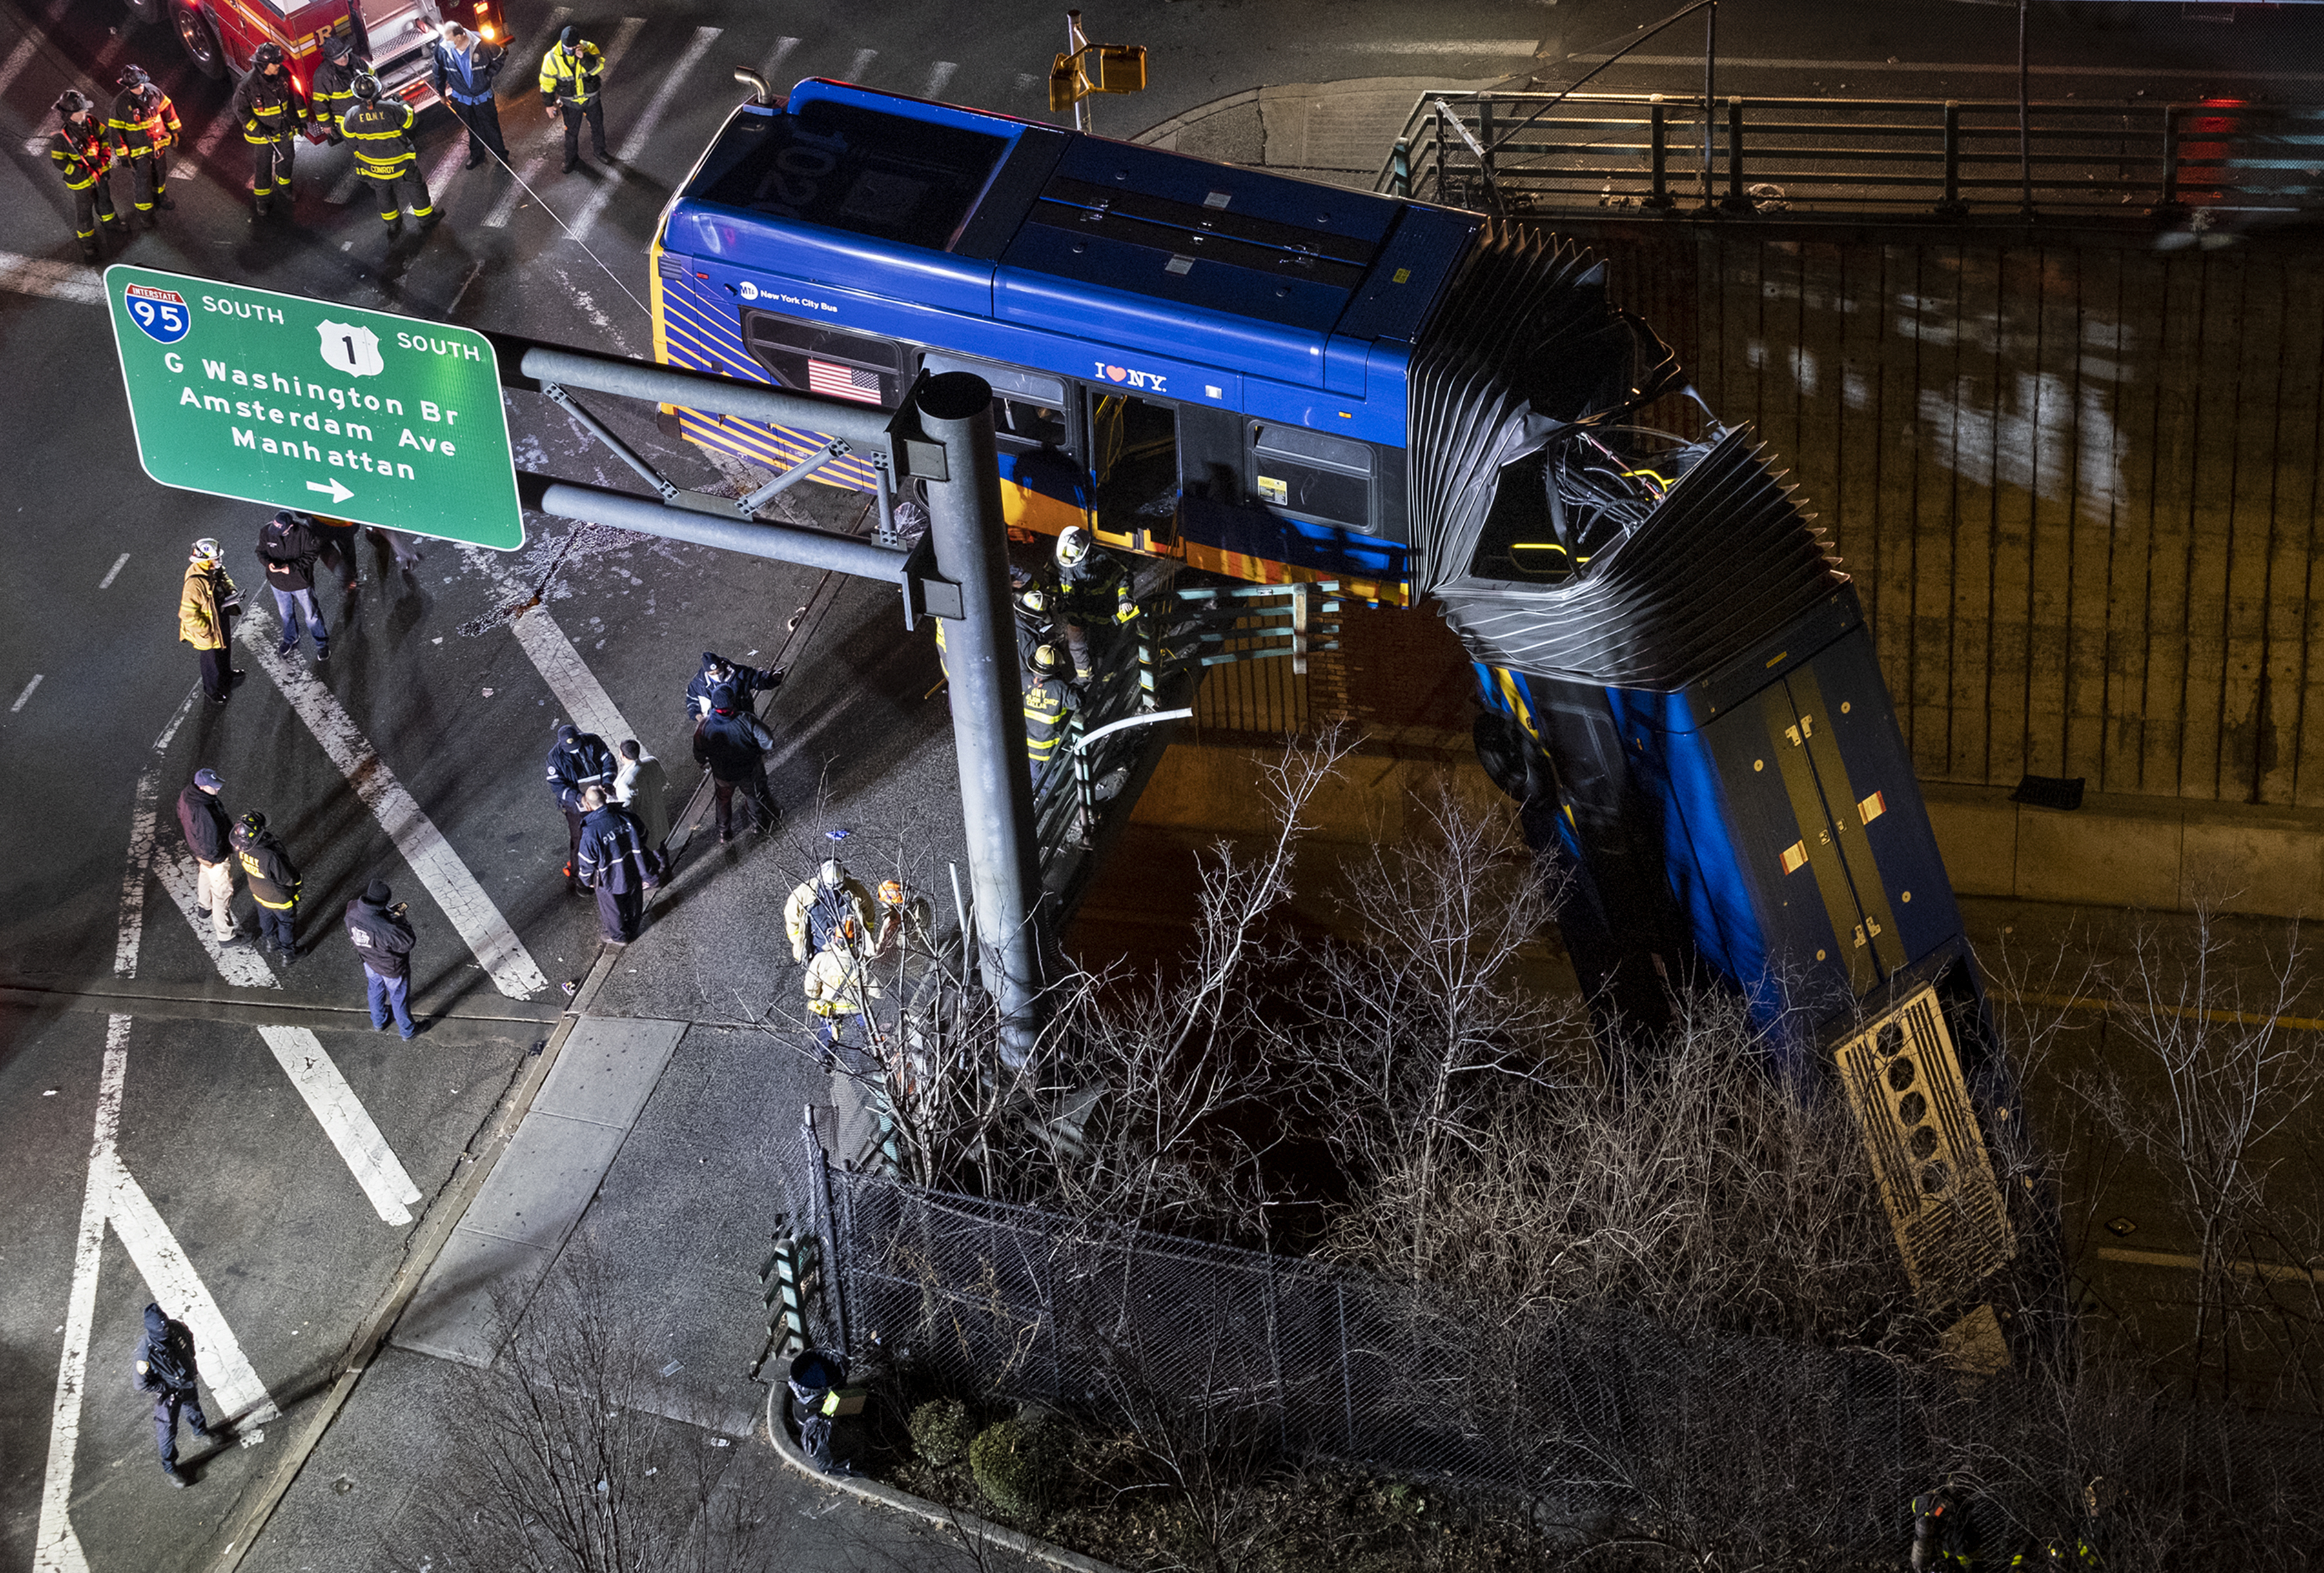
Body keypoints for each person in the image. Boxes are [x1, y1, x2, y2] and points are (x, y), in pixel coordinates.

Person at [339, 72, 438, 238]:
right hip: (401, 162)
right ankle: (425, 219)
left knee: (383, 193)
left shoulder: (352, 114)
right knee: (415, 187)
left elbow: (347, 136)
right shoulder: (392, 108)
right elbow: (411, 123)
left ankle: (393, 225)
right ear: (378, 90)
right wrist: (404, 104)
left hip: (373, 166)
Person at [134, 1302, 216, 1488]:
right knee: (167, 1430)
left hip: (185, 1380)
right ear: (152, 1330)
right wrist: (166, 1387)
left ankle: (200, 1432)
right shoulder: (145, 1355)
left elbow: (189, 1341)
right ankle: (170, 1467)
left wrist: (190, 1367)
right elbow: (142, 1384)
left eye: (165, 1322)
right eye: (160, 1327)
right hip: (168, 1394)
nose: (165, 1328)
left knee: (193, 1405)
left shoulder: (176, 1328)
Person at [227, 41, 306, 219]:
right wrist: (259, 130)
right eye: (275, 62)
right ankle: (262, 200)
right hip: (263, 137)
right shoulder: (248, 85)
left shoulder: (283, 75)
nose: (279, 65)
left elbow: (295, 98)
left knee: (288, 158)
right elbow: (241, 111)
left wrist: (301, 122)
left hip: (284, 129)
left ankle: (284, 187)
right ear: (264, 65)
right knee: (263, 167)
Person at [691, 684, 779, 842]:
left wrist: (705, 763)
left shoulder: (705, 726)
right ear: (732, 702)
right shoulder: (746, 719)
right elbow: (768, 741)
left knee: (723, 801)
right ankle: (757, 825)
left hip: (722, 775)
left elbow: (699, 751)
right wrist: (760, 752)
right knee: (753, 797)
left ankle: (724, 832)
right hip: (748, 771)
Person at [574, 785, 660, 944]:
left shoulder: (591, 832)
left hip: (608, 876)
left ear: (588, 805)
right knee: (634, 900)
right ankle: (633, 929)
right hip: (634, 866)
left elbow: (587, 863)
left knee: (612, 908)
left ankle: (619, 937)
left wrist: (587, 882)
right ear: (605, 798)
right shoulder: (626, 815)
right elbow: (643, 834)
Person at [50, 90, 125, 261]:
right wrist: (79, 171)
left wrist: (105, 157)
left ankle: (111, 223)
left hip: (99, 172)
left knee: (105, 200)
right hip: (81, 182)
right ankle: (87, 243)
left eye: (84, 111)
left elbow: (105, 137)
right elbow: (59, 162)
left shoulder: (92, 122)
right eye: (79, 113)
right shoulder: (63, 138)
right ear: (68, 115)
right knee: (84, 212)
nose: (83, 114)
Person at [545, 723, 617, 891]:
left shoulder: (592, 741)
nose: (575, 751)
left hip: (599, 797)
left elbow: (608, 761)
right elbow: (558, 787)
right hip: (577, 806)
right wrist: (579, 797)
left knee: (609, 829)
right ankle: (579, 879)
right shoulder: (554, 758)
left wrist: (606, 783)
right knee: (579, 840)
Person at [343, 880, 419, 1039]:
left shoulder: (353, 908)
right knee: (398, 998)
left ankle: (379, 1022)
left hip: (369, 961)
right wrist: (401, 920)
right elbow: (407, 942)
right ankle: (408, 1031)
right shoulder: (387, 927)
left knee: (375, 989)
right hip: (391, 968)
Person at [106, 64, 179, 227]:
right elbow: (116, 132)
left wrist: (175, 131)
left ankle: (161, 197)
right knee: (142, 182)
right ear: (127, 86)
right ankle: (145, 215)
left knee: (160, 173)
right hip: (138, 151)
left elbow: (168, 109)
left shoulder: (154, 92)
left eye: (141, 84)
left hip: (158, 145)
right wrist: (123, 155)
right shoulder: (120, 104)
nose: (139, 88)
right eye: (135, 86)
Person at [175, 768, 241, 947]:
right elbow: (210, 839)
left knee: (204, 873)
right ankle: (226, 935)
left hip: (200, 851)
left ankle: (204, 907)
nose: (217, 790)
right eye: (214, 787)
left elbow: (180, 813)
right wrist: (217, 859)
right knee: (223, 892)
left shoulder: (188, 795)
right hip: (214, 855)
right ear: (203, 787)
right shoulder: (204, 810)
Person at [431, 23, 507, 169]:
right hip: (462, 98)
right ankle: (477, 155)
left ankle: (502, 158)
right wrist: (441, 94)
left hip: (483, 96)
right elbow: (438, 72)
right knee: (472, 128)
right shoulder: (443, 48)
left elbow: (500, 57)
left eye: (449, 39)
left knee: (491, 127)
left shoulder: (482, 43)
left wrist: (488, 77)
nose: (445, 43)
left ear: (460, 36)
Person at [256, 511, 327, 661]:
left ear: (291, 527)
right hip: (278, 583)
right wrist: (268, 564)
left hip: (300, 583)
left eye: (281, 530)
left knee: (311, 616)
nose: (277, 534)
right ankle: (290, 638)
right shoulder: (267, 531)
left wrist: (292, 567)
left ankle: (322, 644)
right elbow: (261, 552)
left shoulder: (304, 533)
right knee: (285, 614)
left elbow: (312, 555)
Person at [230, 811, 301, 964]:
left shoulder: (241, 848)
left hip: (258, 893)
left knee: (265, 917)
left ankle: (271, 942)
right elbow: (286, 879)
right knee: (286, 924)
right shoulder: (269, 856)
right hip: (279, 898)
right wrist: (298, 883)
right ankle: (288, 954)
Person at [179, 539, 242, 704]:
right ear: (205, 560)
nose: (219, 562)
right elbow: (187, 614)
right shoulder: (195, 583)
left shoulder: (211, 569)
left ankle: (226, 675)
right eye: (215, 559)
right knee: (210, 662)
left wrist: (232, 590)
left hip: (219, 616)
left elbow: (224, 577)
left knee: (224, 648)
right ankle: (212, 691)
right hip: (207, 628)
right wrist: (205, 630)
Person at [538, 25, 607, 173]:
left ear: (579, 43)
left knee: (597, 127)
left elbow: (599, 68)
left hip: (591, 100)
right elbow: (547, 82)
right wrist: (549, 104)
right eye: (567, 47)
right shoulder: (551, 59)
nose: (570, 50)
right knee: (571, 133)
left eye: (573, 47)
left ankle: (600, 151)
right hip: (571, 104)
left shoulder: (589, 48)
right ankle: (571, 159)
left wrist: (585, 58)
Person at [784, 858, 874, 966]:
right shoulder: (804, 893)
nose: (832, 891)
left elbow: (868, 913)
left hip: (849, 953)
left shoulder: (856, 890)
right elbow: (792, 921)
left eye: (836, 889)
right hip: (818, 953)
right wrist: (799, 943)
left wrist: (865, 936)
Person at [684, 651, 781, 720]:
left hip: (744, 714)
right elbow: (692, 700)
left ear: (722, 665)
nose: (717, 675)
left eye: (719, 672)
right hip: (719, 723)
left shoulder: (740, 673)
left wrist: (772, 679)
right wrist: (698, 715)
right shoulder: (698, 685)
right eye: (713, 674)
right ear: (707, 672)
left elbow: (756, 679)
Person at [613, 738, 671, 852]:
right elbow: (663, 782)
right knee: (662, 845)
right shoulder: (652, 761)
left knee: (652, 850)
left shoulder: (625, 783)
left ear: (623, 756)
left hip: (644, 824)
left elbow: (626, 811)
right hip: (659, 815)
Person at [308, 34, 362, 142]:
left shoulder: (356, 61)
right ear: (331, 59)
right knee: (360, 148)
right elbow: (319, 103)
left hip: (366, 113)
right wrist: (326, 125)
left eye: (344, 55)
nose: (343, 59)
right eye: (339, 57)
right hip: (346, 121)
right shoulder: (323, 75)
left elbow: (373, 79)